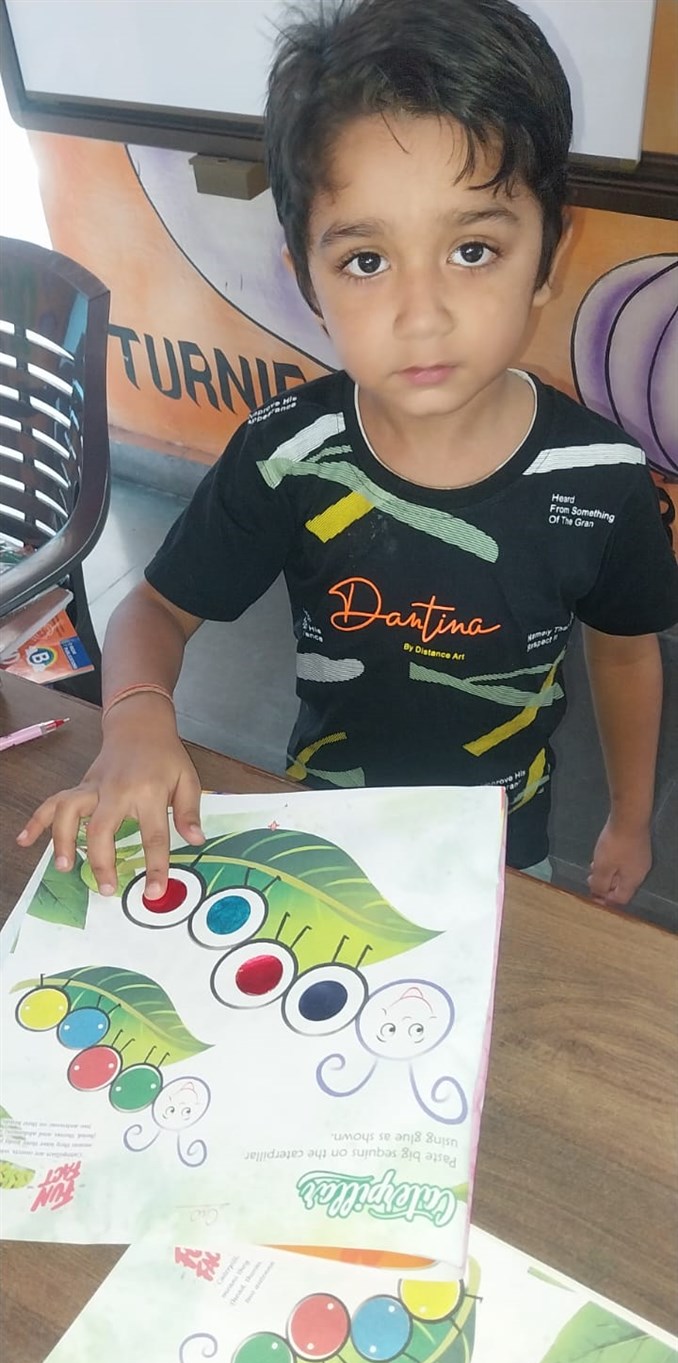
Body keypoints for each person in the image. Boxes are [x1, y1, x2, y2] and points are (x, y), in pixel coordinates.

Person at [18, 0, 678, 907]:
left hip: (502, 843)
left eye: (473, 249)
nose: (422, 315)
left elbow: (627, 655)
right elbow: (157, 609)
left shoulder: (602, 479)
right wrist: (135, 721)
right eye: (367, 261)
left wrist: (630, 819)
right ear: (310, 283)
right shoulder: (286, 454)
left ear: (547, 256)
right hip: (326, 823)